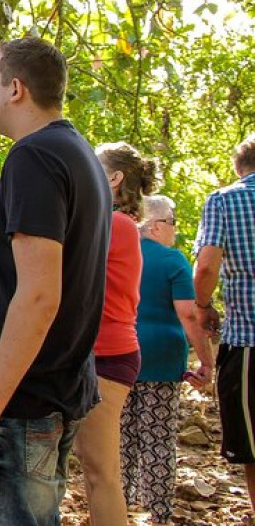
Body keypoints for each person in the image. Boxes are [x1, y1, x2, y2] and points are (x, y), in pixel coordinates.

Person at [0, 37, 111, 525]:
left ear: (15, 89)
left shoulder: (34, 157)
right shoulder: (77, 153)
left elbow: (40, 296)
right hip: (49, 391)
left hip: (19, 407)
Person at [71, 142, 155, 526]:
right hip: (94, 352)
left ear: (114, 178)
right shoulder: (112, 222)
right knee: (93, 470)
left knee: (101, 472)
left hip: (108, 354)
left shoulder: (116, 224)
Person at [121, 195, 215, 524]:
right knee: (158, 434)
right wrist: (206, 361)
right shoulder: (173, 261)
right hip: (162, 358)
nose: (174, 230)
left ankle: (117, 506)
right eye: (173, 223)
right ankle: (159, 513)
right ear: (157, 225)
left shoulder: (115, 254)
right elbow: (189, 316)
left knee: (121, 435)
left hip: (119, 354)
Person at [193, 134, 255, 512]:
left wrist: (203, 306)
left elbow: (207, 266)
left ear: (239, 166)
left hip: (248, 339)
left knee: (251, 445)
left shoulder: (225, 200)